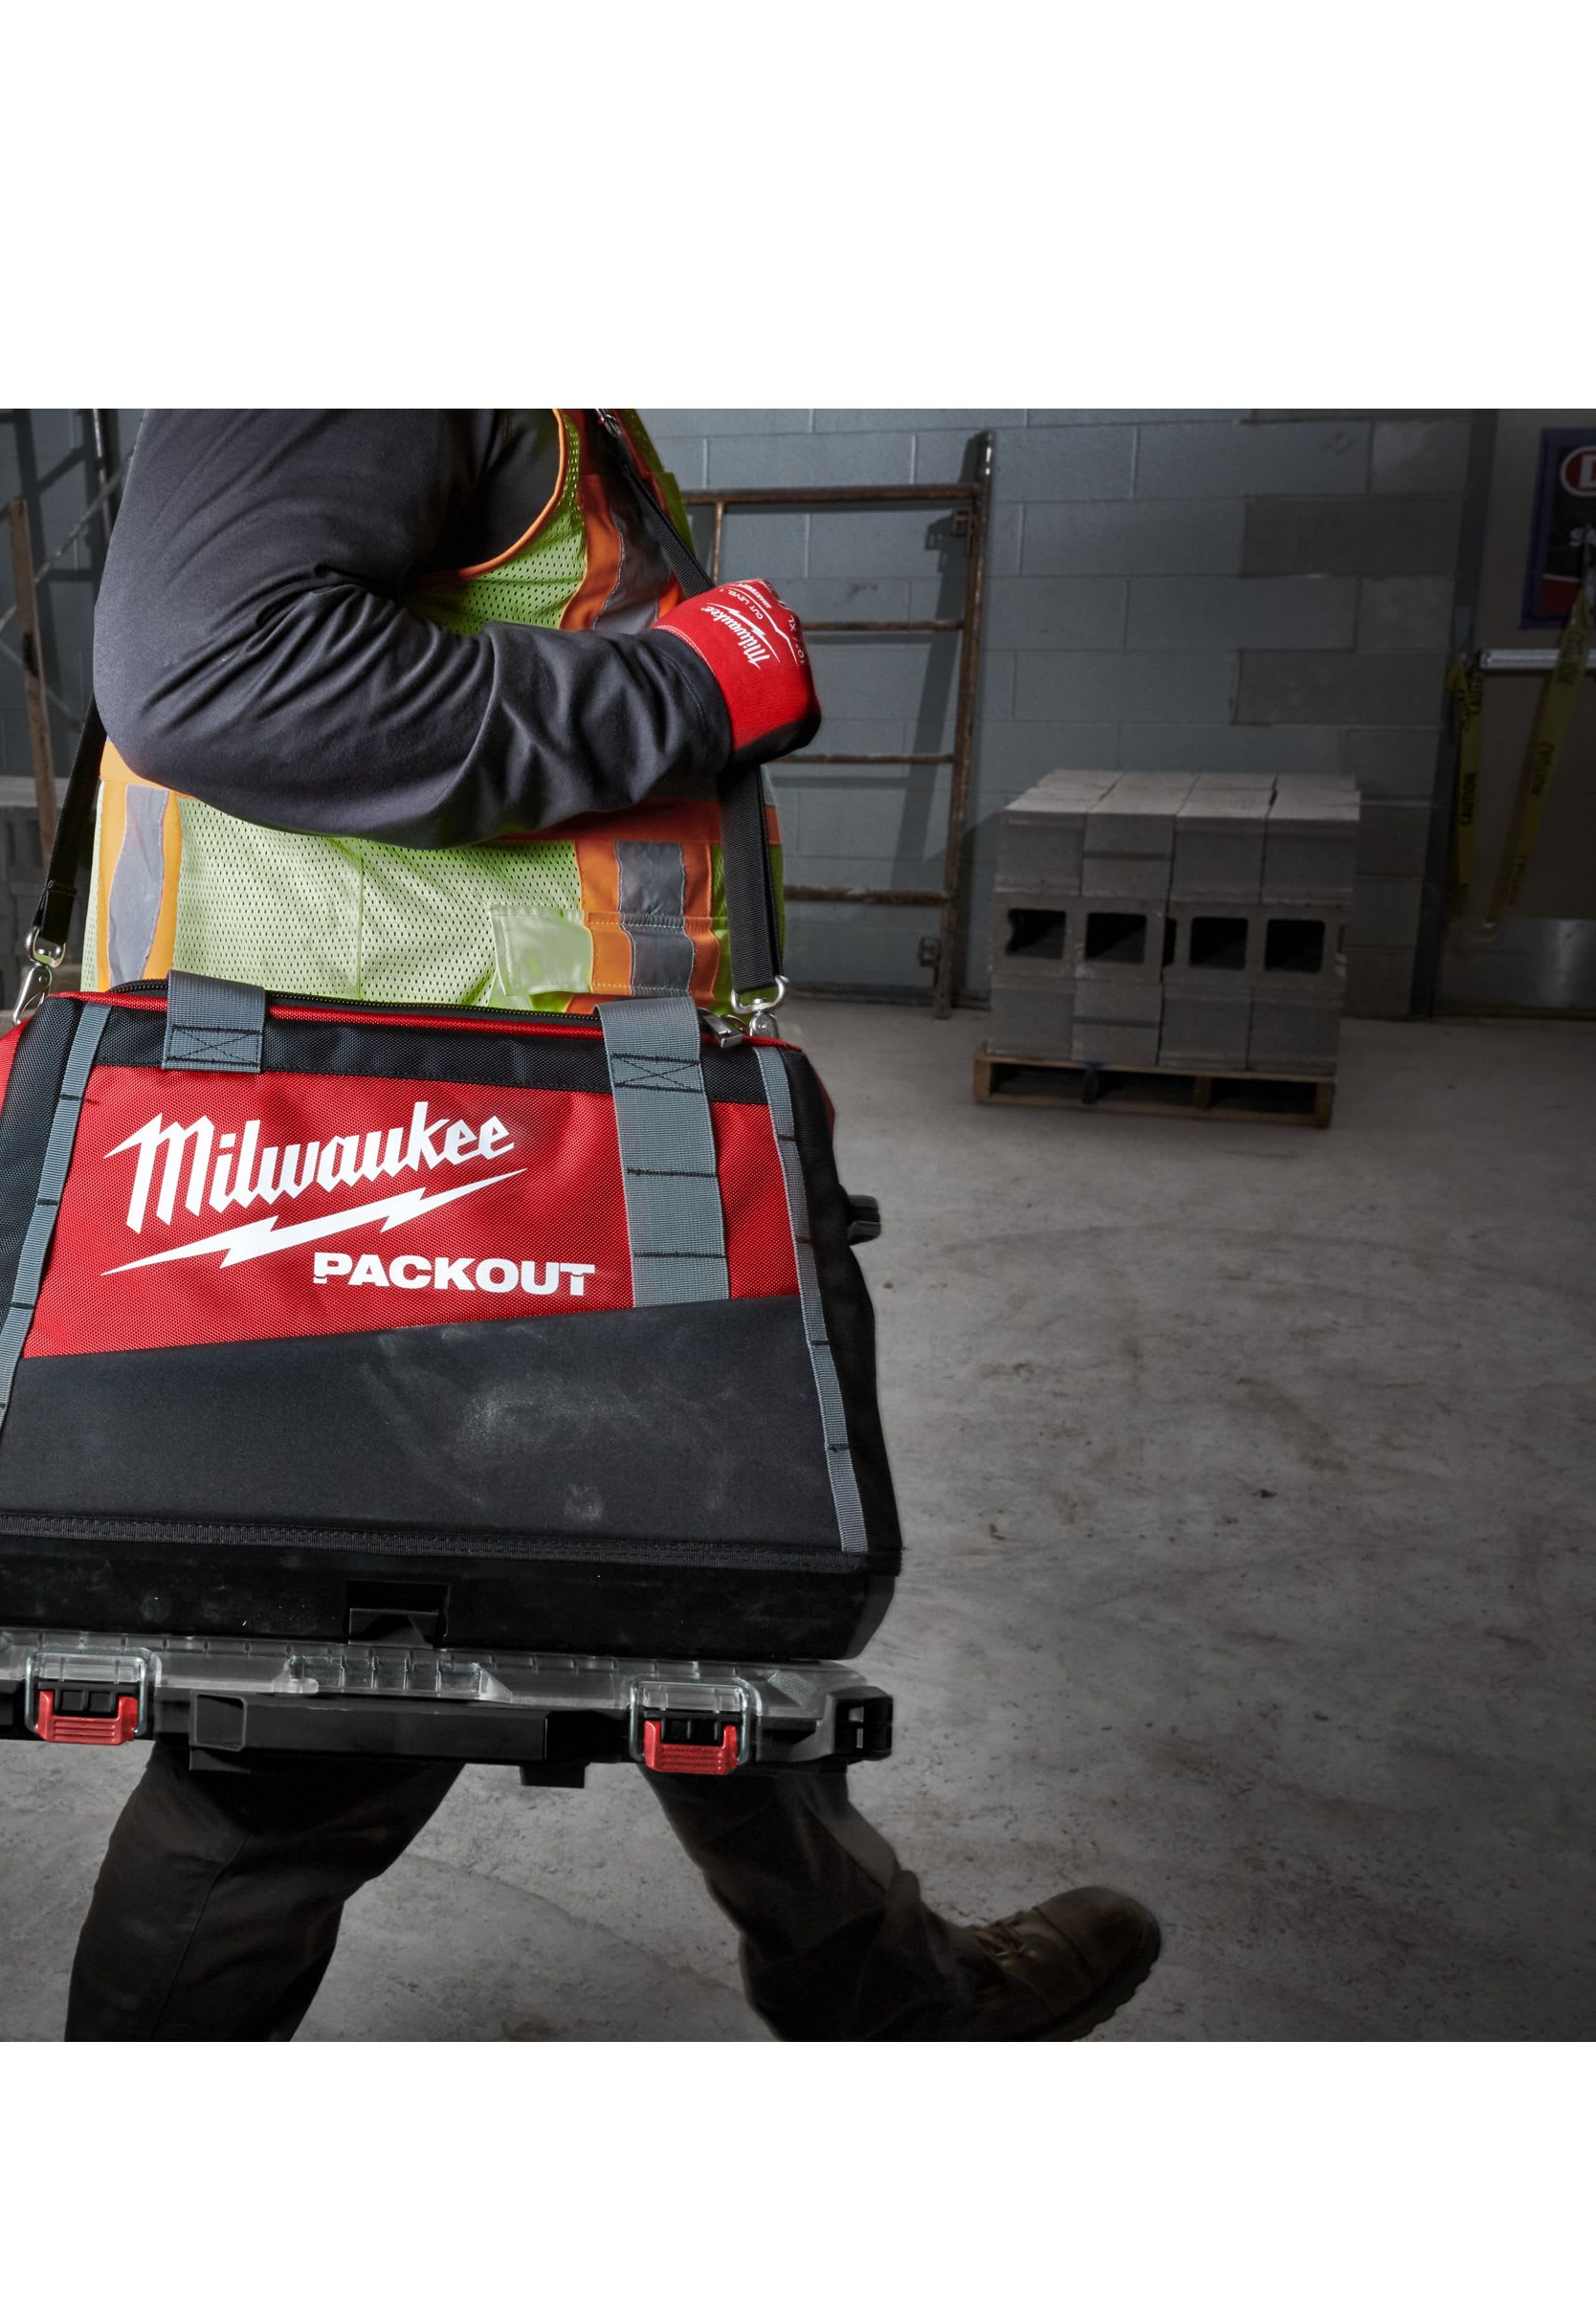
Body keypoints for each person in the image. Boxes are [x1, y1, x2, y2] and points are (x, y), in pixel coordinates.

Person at [61, 410, 1160, 2041]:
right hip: (398, 1189)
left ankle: (890, 1991)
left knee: (692, 1578)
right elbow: (215, 673)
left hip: (544, 1157)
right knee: (299, 1756)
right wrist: (688, 690)